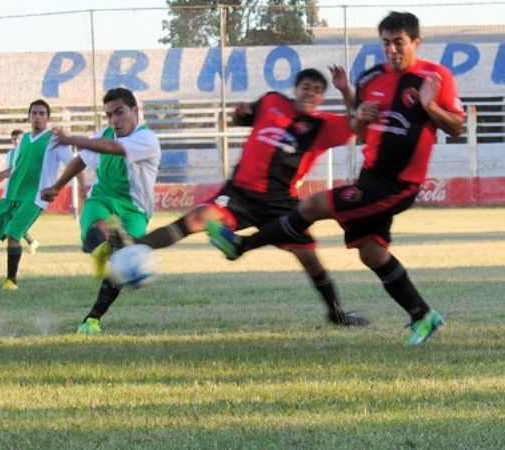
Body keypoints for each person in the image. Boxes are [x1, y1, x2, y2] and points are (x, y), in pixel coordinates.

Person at [207, 11, 465, 345]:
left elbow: (457, 127)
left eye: (398, 43)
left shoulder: (436, 76)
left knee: (314, 204)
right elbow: (358, 131)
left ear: (416, 42)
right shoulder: (370, 78)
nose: (391, 50)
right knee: (371, 252)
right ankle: (423, 314)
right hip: (369, 176)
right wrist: (360, 117)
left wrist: (429, 106)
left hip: (398, 184)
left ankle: (242, 244)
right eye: (386, 43)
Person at [129, 67, 369, 327]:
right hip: (240, 194)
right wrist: (239, 113)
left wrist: (345, 89)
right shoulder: (272, 101)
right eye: (306, 87)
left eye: (317, 90)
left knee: (310, 260)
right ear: (296, 89)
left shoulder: (323, 125)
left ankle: (336, 314)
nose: (310, 93)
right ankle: (134, 247)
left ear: (322, 97)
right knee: (197, 218)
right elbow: (243, 120)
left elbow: (356, 123)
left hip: (280, 203)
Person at [41, 87, 161, 334]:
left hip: (134, 211)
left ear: (135, 111)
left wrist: (73, 139)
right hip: (101, 199)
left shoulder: (147, 139)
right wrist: (56, 186)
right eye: (109, 115)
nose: (114, 120)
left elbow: (111, 148)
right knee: (97, 231)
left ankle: (92, 319)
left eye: (119, 112)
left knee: (123, 263)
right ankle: (99, 250)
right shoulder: (105, 133)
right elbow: (82, 160)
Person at [0, 100, 73, 290]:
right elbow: (15, 167)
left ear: (47, 117)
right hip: (11, 194)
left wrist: (58, 186)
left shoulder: (54, 140)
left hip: (35, 197)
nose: (38, 117)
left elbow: (73, 163)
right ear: (29, 116)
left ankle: (10, 281)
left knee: (13, 235)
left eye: (42, 113)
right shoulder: (24, 139)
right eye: (34, 113)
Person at [0, 129, 39, 254]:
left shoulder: (29, 151)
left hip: (25, 193)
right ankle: (31, 241)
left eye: (19, 138)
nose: (16, 141)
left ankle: (30, 242)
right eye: (14, 139)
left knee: (15, 221)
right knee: (11, 221)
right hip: (12, 192)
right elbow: (9, 171)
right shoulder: (10, 154)